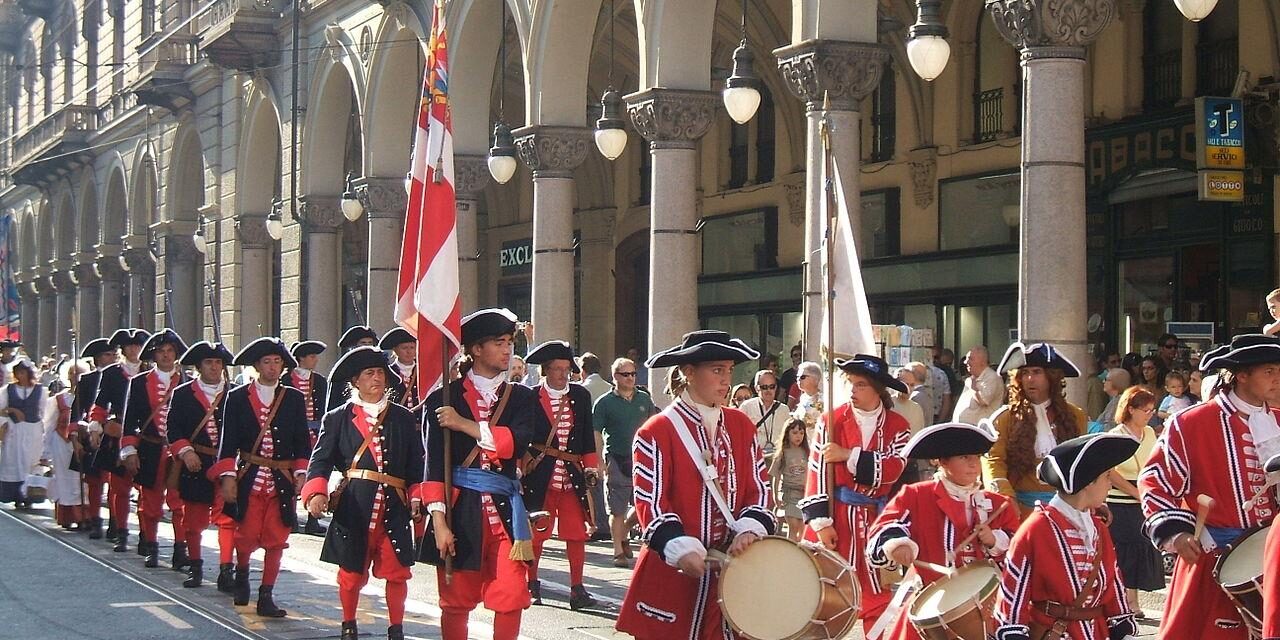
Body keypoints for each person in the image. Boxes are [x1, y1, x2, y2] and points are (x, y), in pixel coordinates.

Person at [615, 330, 774, 640]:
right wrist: (679, 547)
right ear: (688, 372)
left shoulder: (741, 425)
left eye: (729, 370)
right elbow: (651, 503)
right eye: (717, 370)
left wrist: (749, 528)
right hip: (673, 577)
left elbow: (760, 488)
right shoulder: (657, 431)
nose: (726, 379)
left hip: (732, 581)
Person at [1144, 333, 1280, 640]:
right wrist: (1176, 533)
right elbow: (1155, 481)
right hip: (1214, 559)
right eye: (1269, 371)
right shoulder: (1192, 423)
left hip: (1273, 561)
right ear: (1242, 375)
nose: (1278, 379)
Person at [420, 308, 537, 640]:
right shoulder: (445, 396)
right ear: (475, 349)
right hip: (461, 510)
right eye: (499, 343)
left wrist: (463, 424)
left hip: (506, 512)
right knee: (457, 600)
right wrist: (439, 524)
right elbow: (433, 466)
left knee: (511, 595)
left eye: (510, 342)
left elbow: (516, 442)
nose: (507, 350)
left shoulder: (522, 396)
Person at [303, 346, 425, 640]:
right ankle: (348, 625)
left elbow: (416, 464)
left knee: (398, 571)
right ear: (355, 381)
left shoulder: (403, 418)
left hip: (394, 508)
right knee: (351, 573)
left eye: (380, 372)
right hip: (355, 507)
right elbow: (319, 461)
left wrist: (418, 494)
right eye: (369, 373)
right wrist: (316, 493)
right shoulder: (337, 418)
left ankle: (396, 628)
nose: (377, 378)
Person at [865, 422, 1020, 640]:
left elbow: (1019, 556)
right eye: (964, 457)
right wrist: (896, 545)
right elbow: (884, 529)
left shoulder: (998, 504)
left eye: (976, 457)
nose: (974, 464)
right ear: (943, 461)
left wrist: (995, 540)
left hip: (989, 611)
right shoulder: (916, 495)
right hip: (932, 605)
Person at [802, 354, 911, 634]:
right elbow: (816, 471)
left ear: (878, 389)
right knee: (831, 594)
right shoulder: (831, 420)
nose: (852, 391)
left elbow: (893, 470)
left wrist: (847, 455)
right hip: (838, 516)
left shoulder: (899, 426)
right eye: (850, 383)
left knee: (879, 593)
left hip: (879, 517)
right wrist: (821, 523)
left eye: (860, 384)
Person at [992, 433, 1139, 640]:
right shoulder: (1036, 529)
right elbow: (1012, 598)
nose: (1110, 485)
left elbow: (1113, 582)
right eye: (1107, 476)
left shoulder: (1098, 527)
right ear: (1088, 481)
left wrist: (1122, 628)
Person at [210, 337, 311, 617]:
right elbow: (227, 441)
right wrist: (228, 476)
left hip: (281, 478)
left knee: (277, 538)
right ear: (256, 365)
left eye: (277, 362)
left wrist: (301, 471)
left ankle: (267, 594)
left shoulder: (292, 398)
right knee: (245, 536)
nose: (272, 367)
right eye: (267, 362)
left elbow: (302, 440)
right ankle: (242, 574)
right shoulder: (237, 397)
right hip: (250, 475)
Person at [521, 340, 600, 610]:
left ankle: (577, 588)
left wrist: (591, 466)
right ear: (546, 370)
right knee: (537, 536)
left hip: (571, 475)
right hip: (541, 477)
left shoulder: (580, 395)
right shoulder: (530, 396)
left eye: (567, 368)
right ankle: (532, 583)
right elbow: (525, 436)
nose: (563, 374)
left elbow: (587, 434)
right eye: (557, 369)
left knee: (576, 535)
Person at [982, 342, 1088, 519]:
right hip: (1022, 511)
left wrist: (1095, 501)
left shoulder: (1075, 416)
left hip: (1068, 511)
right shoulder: (1005, 418)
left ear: (1052, 377)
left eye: (1037, 372)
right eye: (1025, 373)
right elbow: (993, 462)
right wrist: (1007, 500)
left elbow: (1085, 463)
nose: (1030, 379)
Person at [166, 341, 236, 590]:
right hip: (196, 463)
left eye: (218, 362)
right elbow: (172, 429)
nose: (215, 367)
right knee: (193, 520)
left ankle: (227, 570)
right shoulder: (183, 394)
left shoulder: (235, 392)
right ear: (199, 366)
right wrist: (185, 452)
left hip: (226, 463)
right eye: (209, 362)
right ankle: (195, 567)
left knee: (227, 520)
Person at [119, 328, 190, 570]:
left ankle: (181, 549)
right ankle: (151, 547)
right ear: (154, 355)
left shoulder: (187, 382)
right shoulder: (139, 382)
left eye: (170, 351)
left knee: (179, 503)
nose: (166, 356)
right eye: (161, 351)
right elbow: (129, 421)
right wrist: (129, 450)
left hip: (178, 452)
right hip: (150, 449)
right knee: (150, 504)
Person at [85, 328, 150, 550]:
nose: (134, 350)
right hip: (119, 433)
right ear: (123, 349)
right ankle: (121, 532)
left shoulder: (151, 372)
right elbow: (100, 404)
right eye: (130, 346)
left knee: (146, 490)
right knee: (120, 489)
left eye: (138, 346)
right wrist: (98, 426)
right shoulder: (112, 373)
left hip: (146, 436)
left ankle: (146, 535)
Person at [592, 356, 656, 567]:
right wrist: (600, 462)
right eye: (625, 374)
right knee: (617, 508)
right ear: (615, 376)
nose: (630, 378)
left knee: (641, 504)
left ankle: (625, 532)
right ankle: (618, 550)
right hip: (616, 459)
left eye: (633, 374)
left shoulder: (644, 399)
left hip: (642, 459)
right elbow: (597, 433)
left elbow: (653, 426)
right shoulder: (604, 403)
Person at [1104, 386, 1163, 615]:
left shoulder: (1149, 433)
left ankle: (1132, 600)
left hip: (1143, 497)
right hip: (1120, 500)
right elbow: (1110, 471)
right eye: (1145, 410)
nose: (1150, 414)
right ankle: (1124, 601)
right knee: (1125, 550)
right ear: (1131, 409)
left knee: (1142, 547)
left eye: (1152, 410)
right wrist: (1134, 491)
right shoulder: (1115, 436)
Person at [72, 338, 117, 538]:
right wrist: (75, 438)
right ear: (98, 359)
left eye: (114, 354)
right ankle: (95, 519)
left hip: (113, 435)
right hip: (92, 434)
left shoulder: (121, 377)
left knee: (115, 482)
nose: (113, 357)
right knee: (94, 481)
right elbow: (77, 411)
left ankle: (116, 522)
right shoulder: (88, 380)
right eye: (108, 355)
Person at [283, 340, 329, 536]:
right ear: (300, 358)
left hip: (313, 434)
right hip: (290, 434)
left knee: (313, 474)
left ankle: (312, 518)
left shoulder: (319, 381)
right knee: (291, 473)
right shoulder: (285, 380)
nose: (315, 360)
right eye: (312, 356)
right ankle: (291, 517)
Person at [0, 358, 56, 507]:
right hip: (15, 430)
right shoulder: (8, 390)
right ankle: (15, 494)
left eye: (23, 372)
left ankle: (30, 494)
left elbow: (44, 413)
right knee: (14, 460)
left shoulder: (40, 391)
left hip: (33, 431)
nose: (20, 376)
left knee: (30, 462)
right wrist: (12, 411)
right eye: (18, 373)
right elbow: (1, 409)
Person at [47, 359, 88, 528]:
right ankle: (67, 516)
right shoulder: (59, 399)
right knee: (65, 479)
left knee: (82, 480)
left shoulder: (88, 396)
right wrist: (45, 452)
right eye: (72, 373)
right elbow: (49, 424)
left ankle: (83, 517)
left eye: (78, 373)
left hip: (80, 443)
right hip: (61, 444)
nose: (75, 377)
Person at [769, 418, 809, 541]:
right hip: (789, 494)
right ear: (787, 433)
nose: (798, 436)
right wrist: (776, 496)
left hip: (804, 495)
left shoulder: (807, 452)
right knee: (793, 525)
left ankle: (801, 553)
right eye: (795, 432)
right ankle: (790, 551)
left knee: (803, 527)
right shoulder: (783, 453)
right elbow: (776, 475)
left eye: (801, 433)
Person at [738, 369, 789, 458]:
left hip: (777, 459)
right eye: (764, 387)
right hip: (754, 458)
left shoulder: (784, 410)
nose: (768, 390)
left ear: (776, 387)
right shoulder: (746, 407)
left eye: (772, 386)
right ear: (756, 388)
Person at [329, 326, 378, 411]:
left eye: (370, 343)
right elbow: (334, 403)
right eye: (363, 343)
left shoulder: (379, 366)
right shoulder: (343, 369)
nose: (367, 346)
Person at [952, 346, 1004, 425]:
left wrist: (974, 389)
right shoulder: (970, 379)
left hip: (979, 431)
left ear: (982, 361)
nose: (966, 362)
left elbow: (983, 401)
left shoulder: (992, 378)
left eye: (970, 359)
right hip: (962, 429)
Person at [379, 327, 420, 413]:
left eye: (412, 347)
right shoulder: (388, 372)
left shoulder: (422, 371)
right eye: (404, 348)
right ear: (395, 350)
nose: (409, 351)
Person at [790, 360, 824, 433]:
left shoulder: (823, 400)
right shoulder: (803, 398)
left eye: (802, 377)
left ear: (815, 379)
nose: (798, 380)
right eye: (797, 377)